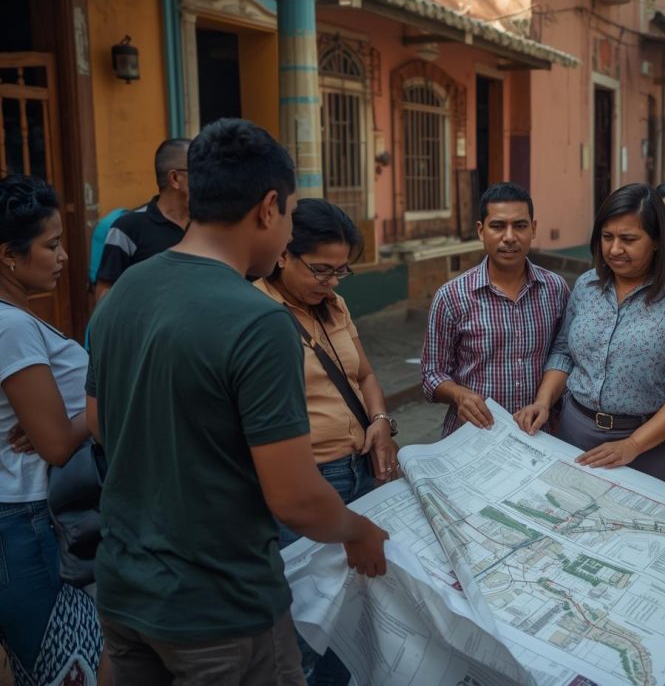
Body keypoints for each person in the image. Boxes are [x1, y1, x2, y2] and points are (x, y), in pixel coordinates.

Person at [86, 119, 388, 685]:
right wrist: (358, 531)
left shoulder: (126, 288)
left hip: (126, 591)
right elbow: (296, 497)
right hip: (221, 610)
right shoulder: (259, 321)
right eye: (293, 215)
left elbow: (101, 425)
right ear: (269, 207)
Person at [254, 198, 399, 685]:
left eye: (341, 272)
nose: (331, 282)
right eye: (320, 270)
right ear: (283, 256)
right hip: (311, 481)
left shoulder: (335, 305)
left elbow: (366, 374)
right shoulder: (257, 314)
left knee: (358, 604)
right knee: (309, 613)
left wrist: (379, 418)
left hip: (360, 471)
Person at [515, 183, 665, 484]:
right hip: (575, 436)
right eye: (607, 237)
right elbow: (564, 352)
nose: (615, 249)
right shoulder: (587, 286)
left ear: (658, 241)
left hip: (655, 448)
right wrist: (543, 401)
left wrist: (633, 445)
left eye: (629, 239)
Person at [0, 176, 104, 685]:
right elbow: (58, 444)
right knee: (76, 672)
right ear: (8, 256)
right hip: (27, 522)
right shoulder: (11, 327)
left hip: (25, 520)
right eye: (52, 244)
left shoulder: (16, 321)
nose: (63, 256)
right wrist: (105, 400)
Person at [422, 182, 569, 436]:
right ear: (481, 231)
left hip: (539, 435)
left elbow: (564, 355)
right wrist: (459, 395)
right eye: (498, 226)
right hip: (474, 435)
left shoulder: (555, 289)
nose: (509, 237)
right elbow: (431, 374)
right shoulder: (452, 296)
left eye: (520, 226)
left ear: (533, 229)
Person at [94, 137, 190, 300]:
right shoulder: (127, 228)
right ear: (175, 179)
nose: (209, 177)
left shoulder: (208, 224)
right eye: (200, 170)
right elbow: (104, 297)